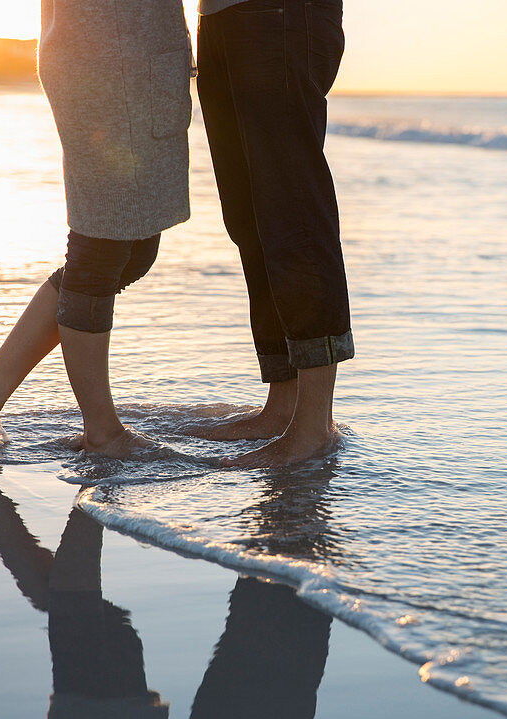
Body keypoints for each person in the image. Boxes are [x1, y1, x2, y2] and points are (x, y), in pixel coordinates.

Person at [0, 0, 194, 458]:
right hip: (107, 59)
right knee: (100, 248)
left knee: (134, 250)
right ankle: (102, 429)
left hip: (136, 58)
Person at [192, 0, 354, 468]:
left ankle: (314, 425)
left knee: (292, 212)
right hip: (219, 16)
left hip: (279, 12)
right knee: (249, 219)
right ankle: (282, 405)